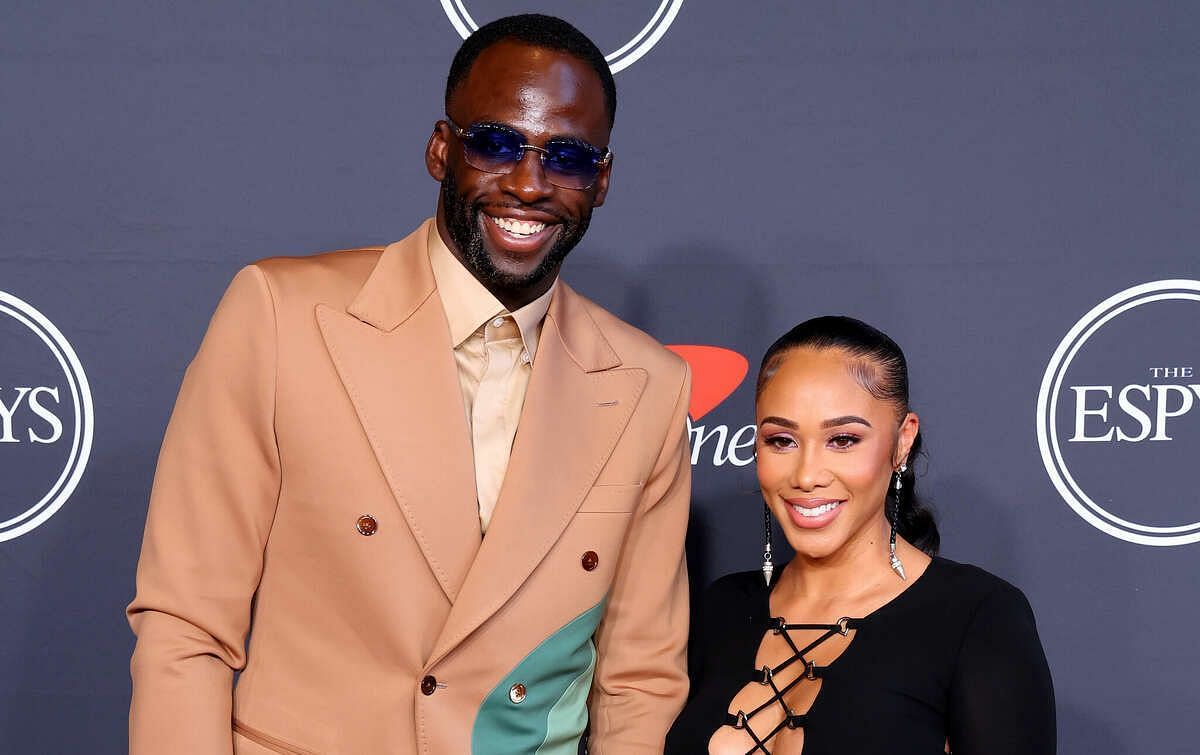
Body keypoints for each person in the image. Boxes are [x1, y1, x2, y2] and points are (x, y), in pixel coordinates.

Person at [127, 15, 692, 754]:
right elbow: (184, 624)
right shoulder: (282, 316)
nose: (528, 183)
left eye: (569, 158)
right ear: (440, 149)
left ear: (604, 180)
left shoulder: (649, 383)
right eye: (494, 144)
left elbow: (639, 681)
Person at [666, 316, 1055, 754]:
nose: (807, 475)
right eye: (782, 441)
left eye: (843, 440)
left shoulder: (977, 618)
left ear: (902, 441)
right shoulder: (721, 608)